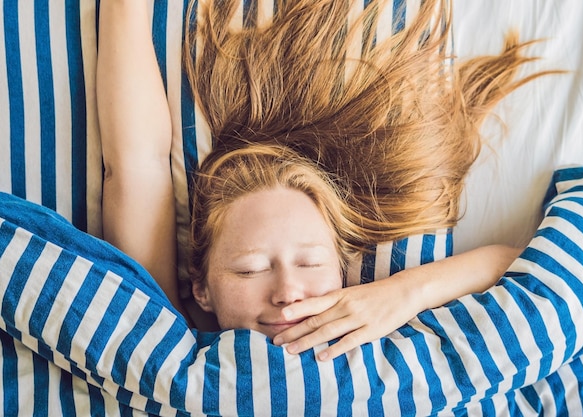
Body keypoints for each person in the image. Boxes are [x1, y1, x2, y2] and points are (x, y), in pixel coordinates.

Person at [97, 0, 540, 362]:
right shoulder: (165, 339)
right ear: (201, 290)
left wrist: (400, 295)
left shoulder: (384, 330)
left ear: (344, 272)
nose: (288, 293)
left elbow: (512, 263)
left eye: (310, 264)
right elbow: (136, 164)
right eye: (249, 270)